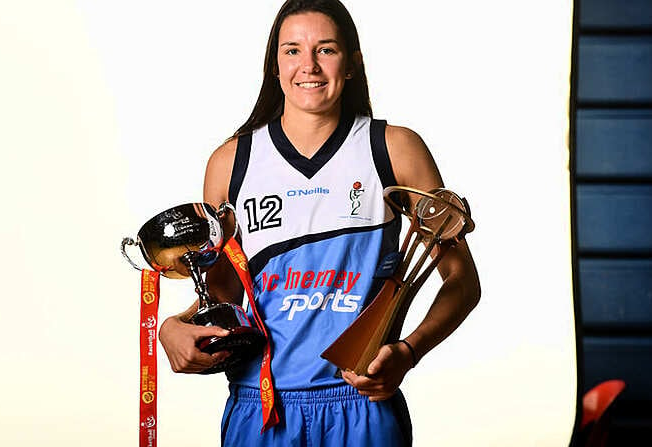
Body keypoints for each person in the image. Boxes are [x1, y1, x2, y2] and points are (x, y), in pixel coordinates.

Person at [158, 1, 480, 445]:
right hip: (261, 406)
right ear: (275, 65)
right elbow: (226, 293)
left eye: (325, 49)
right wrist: (173, 326)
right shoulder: (232, 163)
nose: (307, 65)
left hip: (361, 404)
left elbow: (462, 280)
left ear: (351, 64)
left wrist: (408, 352)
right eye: (292, 50)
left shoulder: (393, 149)